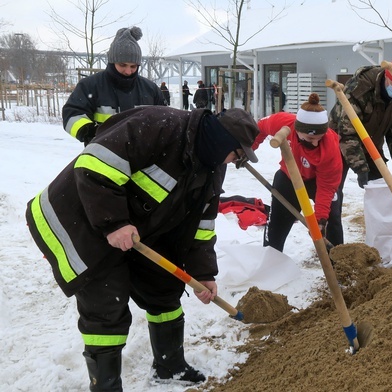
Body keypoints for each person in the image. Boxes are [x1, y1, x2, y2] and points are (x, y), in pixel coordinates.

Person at [25, 106, 259, 391]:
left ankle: (170, 366)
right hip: (80, 218)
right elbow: (93, 166)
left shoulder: (211, 167)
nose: (234, 162)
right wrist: (113, 223)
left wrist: (204, 272)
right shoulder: (160, 126)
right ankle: (106, 386)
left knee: (164, 289)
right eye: (236, 155)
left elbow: (202, 224)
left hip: (137, 228)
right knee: (106, 306)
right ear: (221, 140)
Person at [328, 58, 392, 246]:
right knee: (333, 195)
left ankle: (391, 240)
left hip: (370, 144)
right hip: (337, 141)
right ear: (386, 77)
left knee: (386, 190)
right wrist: (360, 167)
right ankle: (334, 249)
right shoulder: (361, 87)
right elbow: (347, 131)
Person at [252, 93, 342, 251]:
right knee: (278, 220)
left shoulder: (330, 147)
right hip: (288, 177)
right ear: (298, 130)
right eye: (310, 138)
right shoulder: (282, 122)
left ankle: (338, 260)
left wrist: (319, 218)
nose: (315, 144)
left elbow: (327, 186)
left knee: (331, 217)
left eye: (319, 139)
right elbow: (259, 127)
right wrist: (249, 149)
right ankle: (271, 256)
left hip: (317, 181)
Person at [62, 26, 165, 145]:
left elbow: (165, 121)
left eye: (133, 66)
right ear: (112, 61)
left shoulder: (151, 89)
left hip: (142, 159)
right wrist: (90, 132)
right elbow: (72, 115)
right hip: (100, 156)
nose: (128, 71)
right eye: (123, 65)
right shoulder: (90, 86)